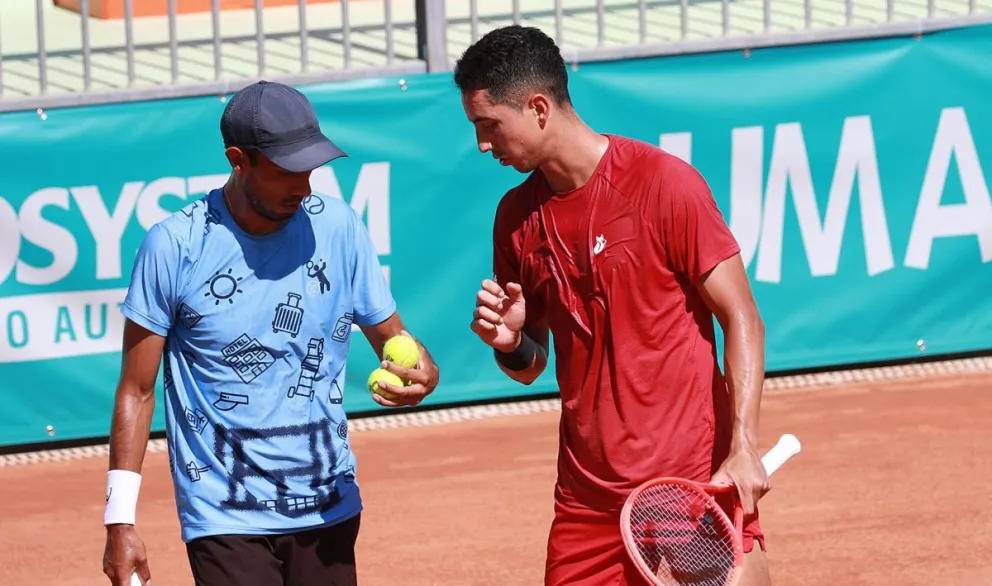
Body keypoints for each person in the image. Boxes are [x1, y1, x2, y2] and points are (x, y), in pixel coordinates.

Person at [454, 25, 772, 586]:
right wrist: (512, 343)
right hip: (587, 503)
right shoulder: (515, 219)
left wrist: (743, 444)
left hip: (691, 483)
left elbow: (741, 315)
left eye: (489, 125)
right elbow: (531, 366)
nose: (482, 144)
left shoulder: (663, 184)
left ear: (538, 108)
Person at [101, 80, 440, 586]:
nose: (303, 187)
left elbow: (395, 338)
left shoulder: (340, 227)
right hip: (224, 513)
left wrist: (423, 372)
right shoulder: (173, 246)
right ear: (238, 160)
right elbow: (137, 389)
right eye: (286, 171)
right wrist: (119, 521)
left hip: (328, 504)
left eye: (310, 169)